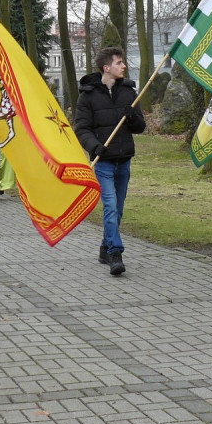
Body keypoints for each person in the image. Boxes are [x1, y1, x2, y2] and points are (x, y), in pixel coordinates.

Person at [73, 47, 146, 277]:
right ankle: (116, 254)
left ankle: (105, 247)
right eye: (119, 63)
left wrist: (132, 115)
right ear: (107, 68)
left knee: (119, 209)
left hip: (123, 161)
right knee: (111, 206)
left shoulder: (128, 92)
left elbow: (140, 127)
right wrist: (95, 147)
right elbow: (81, 129)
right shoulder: (88, 95)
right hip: (103, 162)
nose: (123, 66)